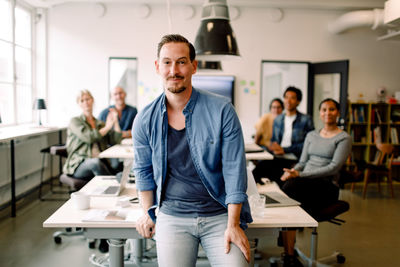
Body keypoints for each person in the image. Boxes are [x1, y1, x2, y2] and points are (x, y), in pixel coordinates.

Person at [132, 34, 252, 267]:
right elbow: (143, 171)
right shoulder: (144, 119)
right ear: (158, 67)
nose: (174, 70)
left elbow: (234, 170)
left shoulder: (222, 110)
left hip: (219, 214)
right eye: (167, 62)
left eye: (181, 61)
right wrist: (147, 211)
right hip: (171, 215)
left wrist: (233, 224)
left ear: (194, 66)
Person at [278, 98, 352, 266]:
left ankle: (288, 253)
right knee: (287, 187)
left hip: (327, 185)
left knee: (290, 189)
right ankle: (289, 253)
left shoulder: (344, 138)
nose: (327, 113)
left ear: (338, 113)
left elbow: (333, 168)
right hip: (303, 182)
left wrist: (301, 175)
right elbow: (302, 161)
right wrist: (293, 172)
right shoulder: (311, 135)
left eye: (332, 109)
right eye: (324, 109)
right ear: (320, 113)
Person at [63, 89, 122, 254]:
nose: (86, 102)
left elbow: (116, 139)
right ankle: (113, 192)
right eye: (82, 100)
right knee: (96, 163)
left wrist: (114, 122)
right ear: (79, 103)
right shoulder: (75, 121)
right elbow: (90, 137)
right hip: (80, 166)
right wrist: (108, 126)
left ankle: (104, 232)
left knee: (113, 172)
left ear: (93, 101)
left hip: (99, 167)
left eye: (88, 98)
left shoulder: (99, 122)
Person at [252, 86, 314, 186]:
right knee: (254, 174)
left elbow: (308, 145)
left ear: (298, 101)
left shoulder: (306, 120)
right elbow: (274, 140)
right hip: (277, 157)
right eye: (286, 97)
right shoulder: (278, 119)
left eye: (292, 98)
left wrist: (285, 150)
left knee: (284, 183)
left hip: (294, 159)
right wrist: (274, 147)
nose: (288, 101)